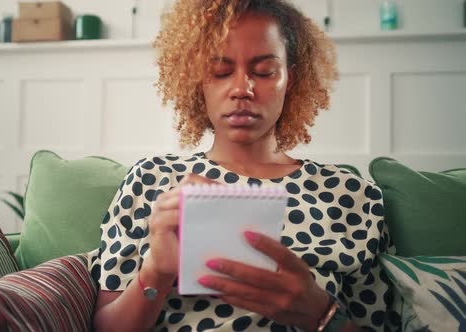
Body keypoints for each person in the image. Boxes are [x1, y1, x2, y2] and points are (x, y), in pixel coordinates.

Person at [91, 0, 397, 331]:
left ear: (290, 80)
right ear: (198, 80)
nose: (241, 89)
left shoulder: (353, 196)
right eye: (220, 72)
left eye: (264, 72)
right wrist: (156, 273)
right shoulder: (152, 180)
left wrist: (319, 312)